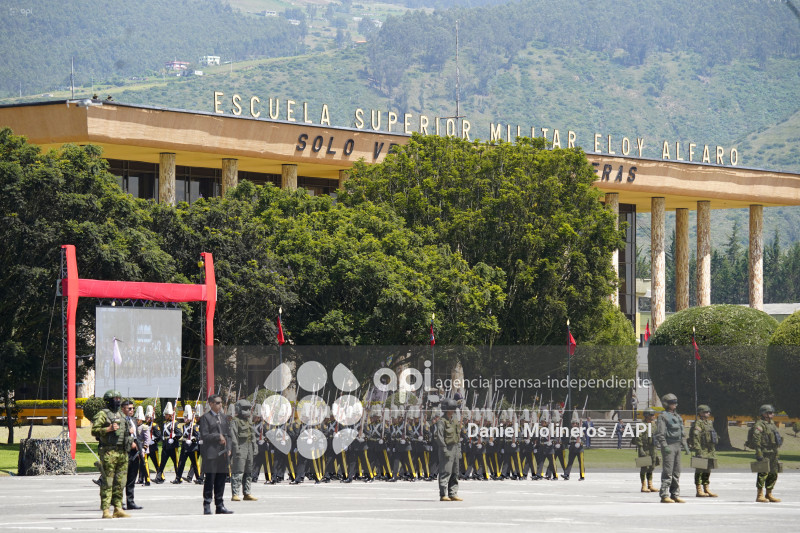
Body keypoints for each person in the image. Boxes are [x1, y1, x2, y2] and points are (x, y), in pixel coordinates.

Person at [91, 390, 133, 519]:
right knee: (108, 482)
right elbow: (94, 431)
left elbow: (125, 431)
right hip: (109, 452)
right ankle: (105, 510)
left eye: (119, 398)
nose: (118, 401)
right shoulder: (103, 414)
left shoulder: (121, 414)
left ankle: (118, 508)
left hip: (122, 452)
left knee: (120, 483)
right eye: (115, 398)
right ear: (108, 400)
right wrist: (108, 429)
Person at [199, 394, 234, 515]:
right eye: (217, 403)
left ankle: (220, 505)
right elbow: (204, 435)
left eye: (221, 403)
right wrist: (217, 436)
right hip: (211, 453)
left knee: (221, 480)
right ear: (211, 404)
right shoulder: (205, 418)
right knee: (210, 480)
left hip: (223, 454)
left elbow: (228, 435)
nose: (220, 405)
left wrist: (229, 448)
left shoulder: (223, 417)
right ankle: (207, 504)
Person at [654, 393, 687, 503]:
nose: (675, 405)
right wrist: (664, 445)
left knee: (677, 471)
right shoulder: (663, 416)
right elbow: (660, 433)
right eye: (672, 403)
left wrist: (685, 444)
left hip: (677, 445)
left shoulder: (677, 416)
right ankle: (664, 494)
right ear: (667, 404)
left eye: (675, 402)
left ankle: (675, 494)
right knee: (668, 471)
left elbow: (682, 432)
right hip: (669, 445)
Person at [230, 399, 259, 501]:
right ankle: (235, 493)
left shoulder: (249, 421)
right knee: (238, 471)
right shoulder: (235, 421)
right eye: (245, 409)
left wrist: (255, 446)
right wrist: (236, 448)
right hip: (240, 447)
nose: (247, 411)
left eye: (248, 409)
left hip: (249, 447)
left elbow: (253, 435)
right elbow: (233, 436)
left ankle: (247, 493)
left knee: (248, 471)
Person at [753, 404, 782, 503]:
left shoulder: (772, 424)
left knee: (774, 473)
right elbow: (756, 440)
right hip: (764, 452)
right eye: (769, 412)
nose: (772, 414)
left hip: (773, 452)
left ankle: (769, 493)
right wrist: (759, 453)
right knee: (763, 473)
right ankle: (759, 495)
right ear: (764, 414)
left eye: (772, 412)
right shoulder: (760, 425)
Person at [434, 399, 462, 501]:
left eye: (454, 408)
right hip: (446, 448)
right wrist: (444, 449)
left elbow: (457, 436)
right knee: (445, 471)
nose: (453, 410)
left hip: (455, 448)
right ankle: (443, 494)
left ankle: (453, 493)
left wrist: (458, 450)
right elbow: (440, 437)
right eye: (451, 408)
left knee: (455, 472)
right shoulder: (441, 421)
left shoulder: (454, 420)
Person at [689, 405, 718, 497]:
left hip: (710, 450)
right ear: (700, 413)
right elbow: (695, 438)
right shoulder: (698, 423)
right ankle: (699, 489)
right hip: (702, 449)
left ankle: (706, 488)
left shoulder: (709, 423)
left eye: (708, 412)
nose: (708, 413)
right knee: (699, 470)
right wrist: (698, 450)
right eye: (705, 412)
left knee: (708, 470)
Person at [632, 408, 658, 493]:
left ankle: (650, 485)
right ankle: (643, 485)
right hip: (644, 448)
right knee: (644, 467)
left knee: (652, 466)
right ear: (647, 416)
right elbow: (638, 437)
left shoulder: (654, 425)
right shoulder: (641, 425)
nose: (654, 416)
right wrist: (640, 448)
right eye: (652, 415)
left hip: (653, 448)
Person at [123, 402, 144, 510]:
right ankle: (119, 502)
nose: (131, 410)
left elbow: (137, 436)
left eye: (133, 408)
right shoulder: (121, 420)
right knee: (122, 479)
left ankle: (130, 502)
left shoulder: (134, 420)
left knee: (132, 477)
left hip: (135, 451)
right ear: (123, 409)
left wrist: (140, 449)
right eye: (129, 408)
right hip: (125, 451)